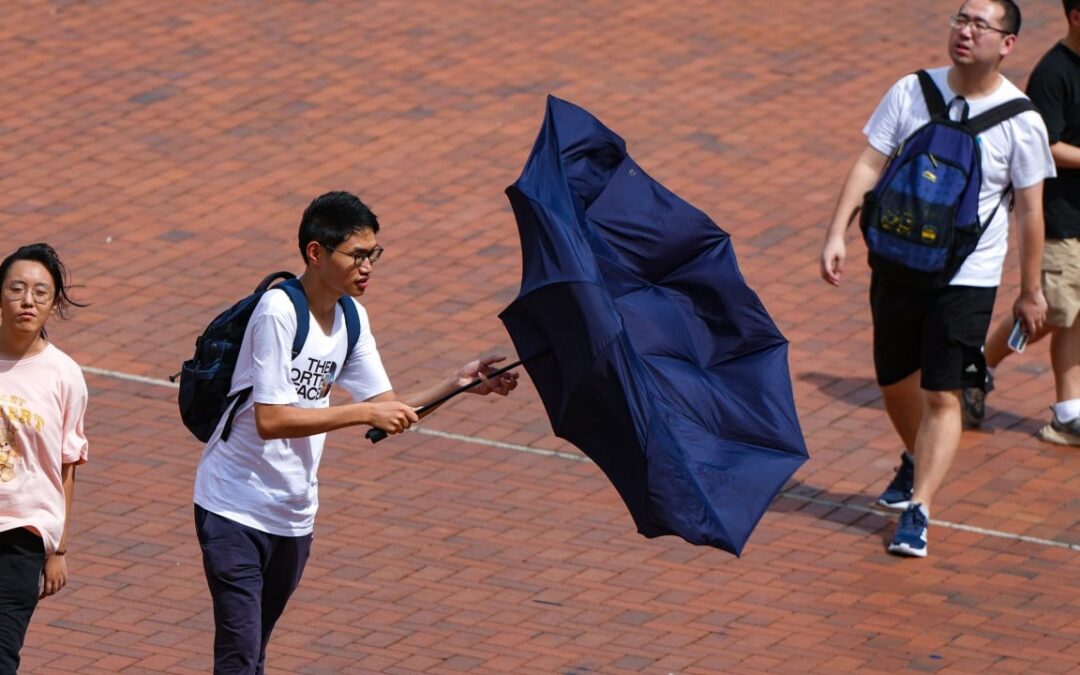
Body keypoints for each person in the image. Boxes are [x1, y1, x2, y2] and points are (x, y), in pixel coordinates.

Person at [193, 191, 519, 674]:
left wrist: (459, 384)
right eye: (358, 255)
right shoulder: (279, 312)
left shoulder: (352, 317)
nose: (368, 267)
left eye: (374, 255)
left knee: (255, 650)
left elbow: (387, 409)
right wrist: (361, 416)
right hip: (232, 506)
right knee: (239, 654)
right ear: (316, 253)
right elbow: (272, 419)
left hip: (293, 516)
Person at [819, 0, 1055, 558]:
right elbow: (869, 163)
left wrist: (1029, 289)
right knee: (892, 380)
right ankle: (915, 457)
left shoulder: (1022, 121)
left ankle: (918, 510)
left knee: (942, 393)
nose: (965, 32)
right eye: (960, 20)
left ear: (1008, 43)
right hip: (898, 260)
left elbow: (1029, 212)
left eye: (980, 25)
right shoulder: (912, 91)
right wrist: (837, 232)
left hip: (966, 277)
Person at [962, 0, 1080, 445]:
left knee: (1074, 313)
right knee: (1045, 312)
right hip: (1060, 217)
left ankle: (1069, 409)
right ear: (1075, 16)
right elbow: (1045, 146)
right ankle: (978, 364)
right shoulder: (1054, 73)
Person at [0, 243, 89, 672]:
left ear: (54, 304)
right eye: (17, 288)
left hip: (24, 535)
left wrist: (59, 549)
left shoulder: (64, 375)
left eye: (40, 292)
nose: (27, 300)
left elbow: (67, 463)